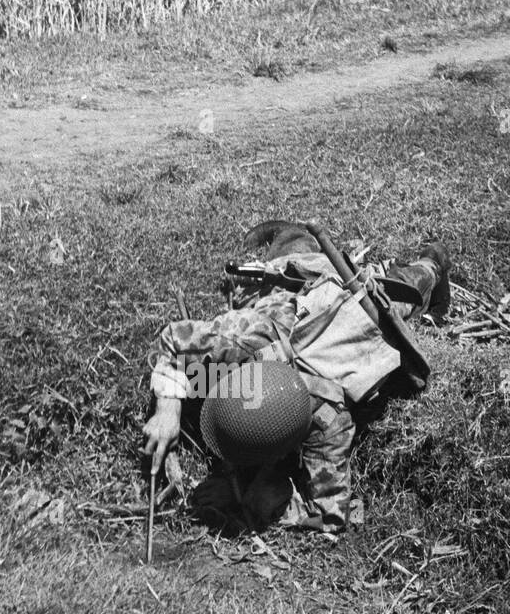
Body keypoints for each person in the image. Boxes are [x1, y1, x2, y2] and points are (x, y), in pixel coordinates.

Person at [141, 221, 451, 533]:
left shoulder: (328, 422)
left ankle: (433, 262)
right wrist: (168, 408)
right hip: (287, 292)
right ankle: (289, 233)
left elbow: (331, 512)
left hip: (355, 303)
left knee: (408, 285)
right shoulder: (245, 339)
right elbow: (173, 339)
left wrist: (261, 502)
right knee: (291, 257)